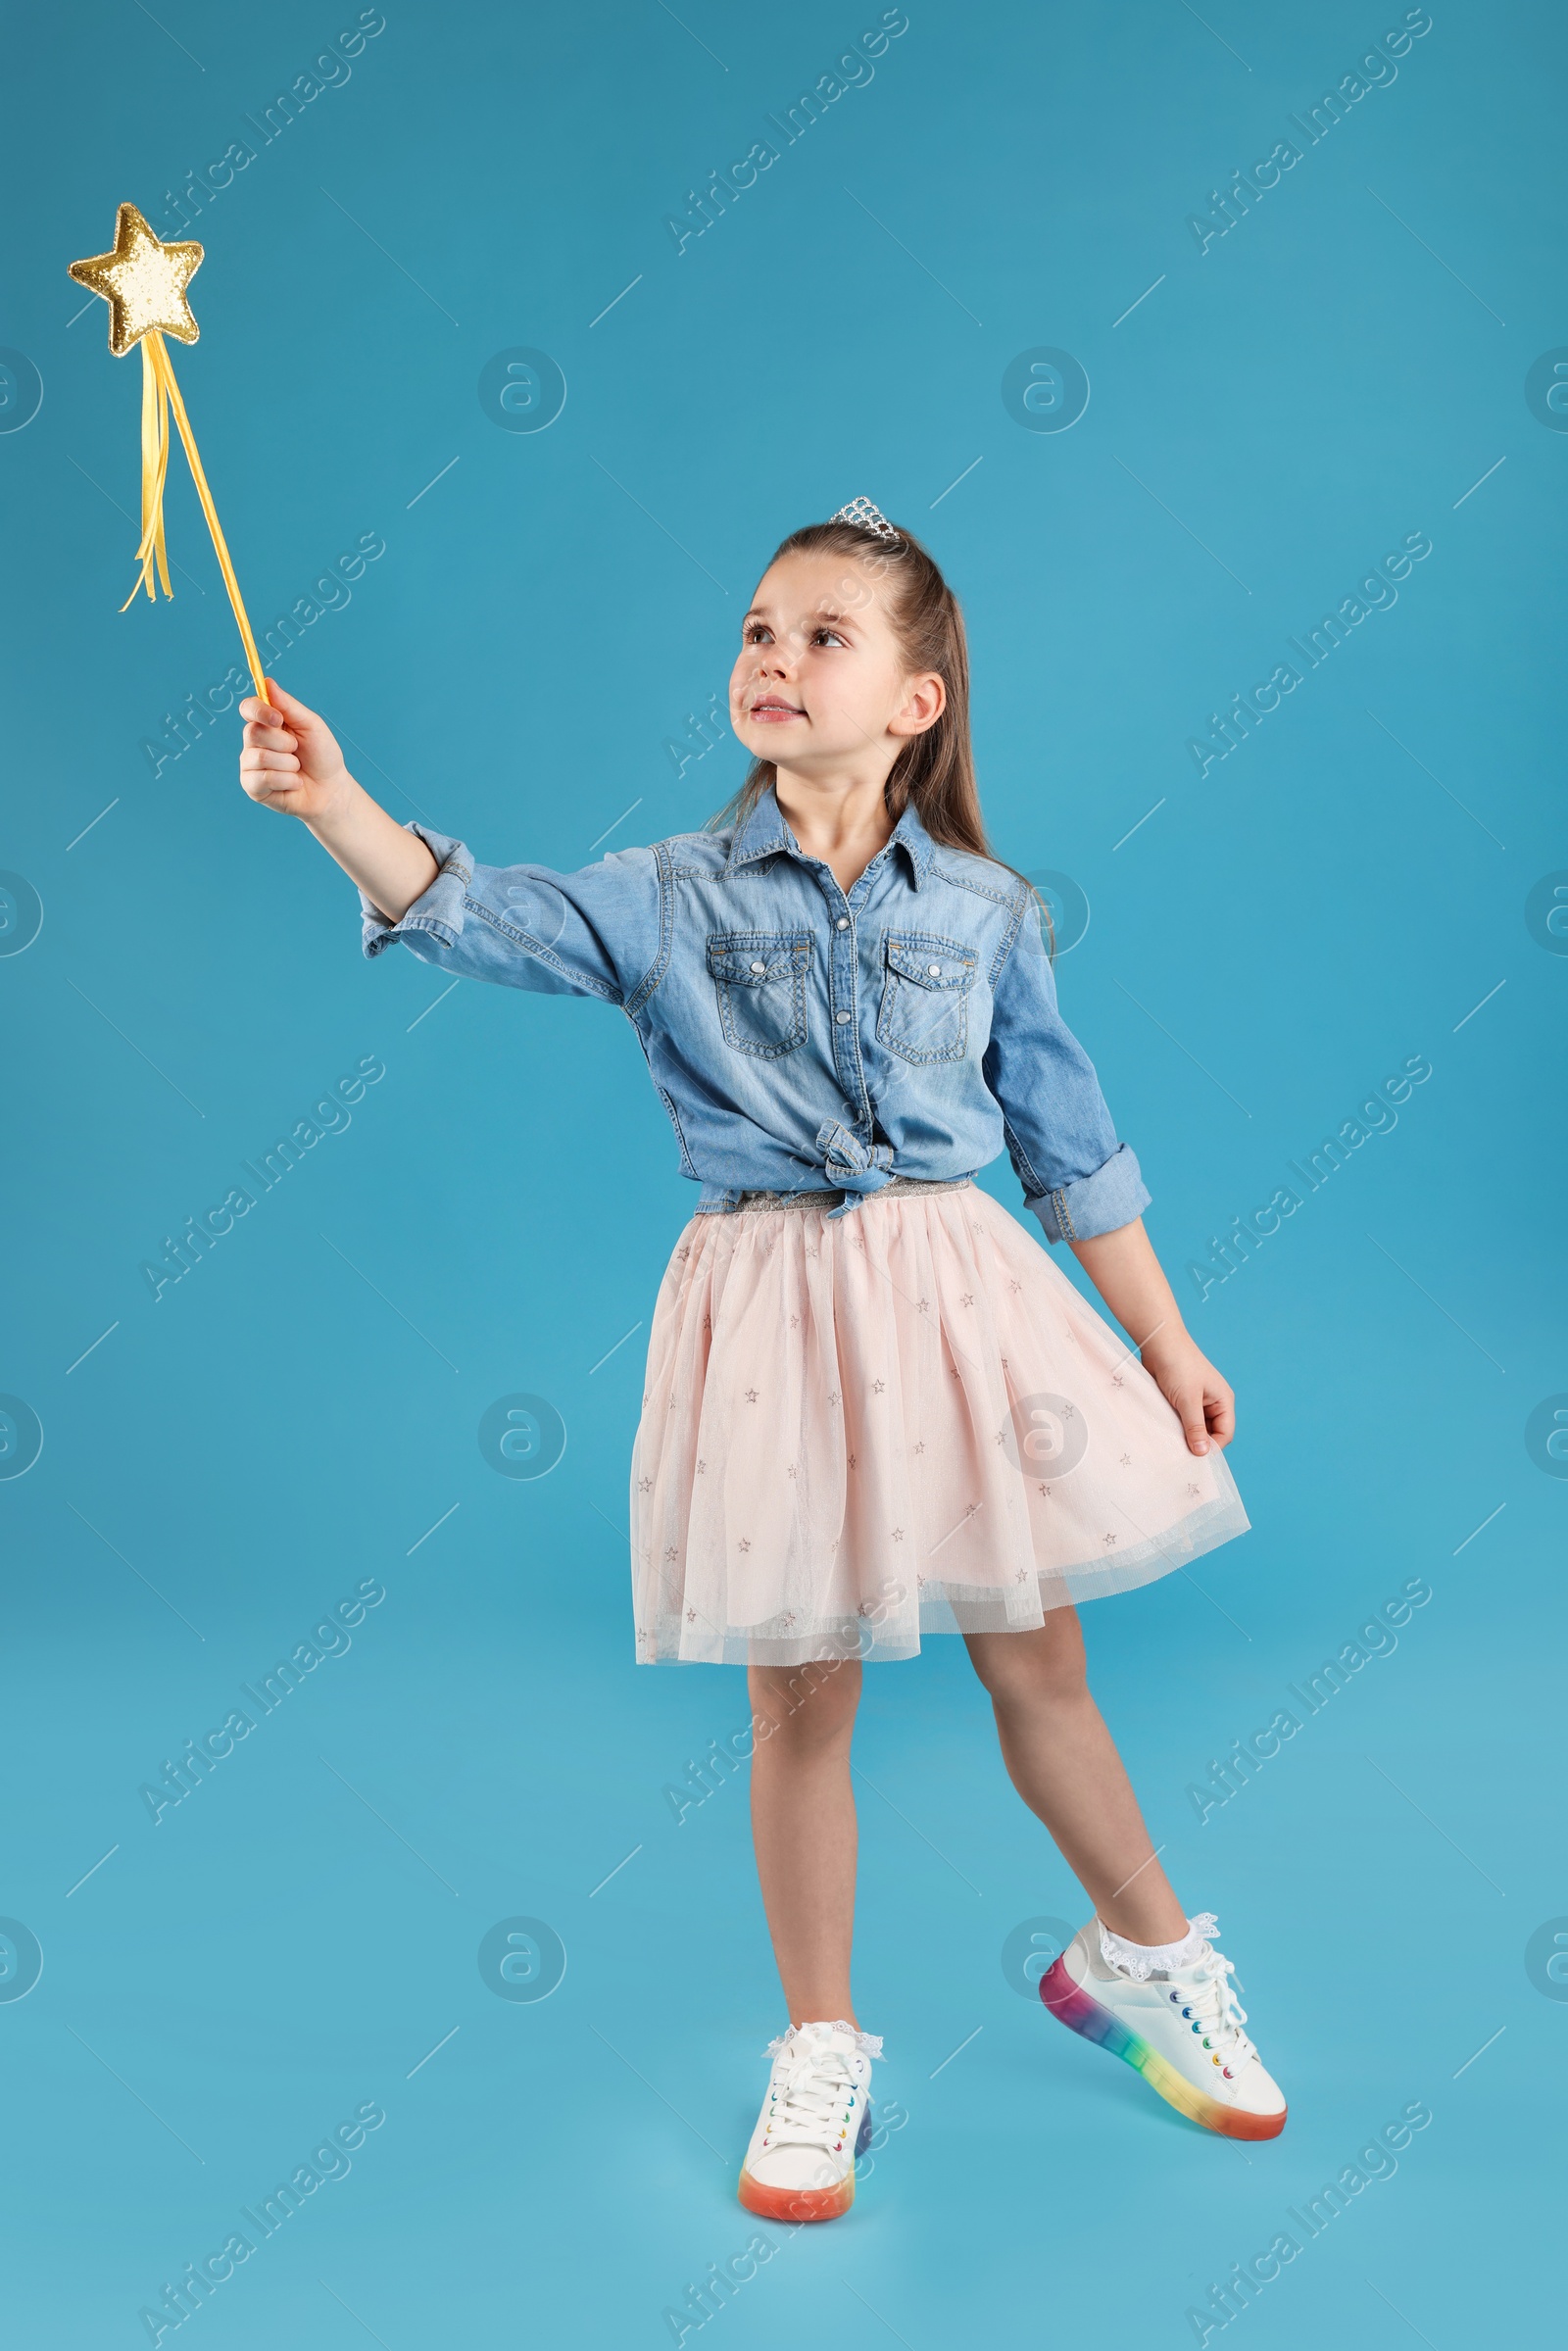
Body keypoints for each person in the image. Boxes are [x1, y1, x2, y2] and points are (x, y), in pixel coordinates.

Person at [237, 497, 1286, 2226]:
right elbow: (474, 914)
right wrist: (337, 803)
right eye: (756, 630)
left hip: (961, 1305)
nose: (775, 661)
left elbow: (1071, 1143)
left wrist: (1165, 1340)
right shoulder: (666, 895)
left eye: (822, 637)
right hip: (773, 1316)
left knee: (1043, 1667)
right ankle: (820, 2046)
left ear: (917, 700)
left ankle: (1147, 1959)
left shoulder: (992, 908)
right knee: (802, 1698)